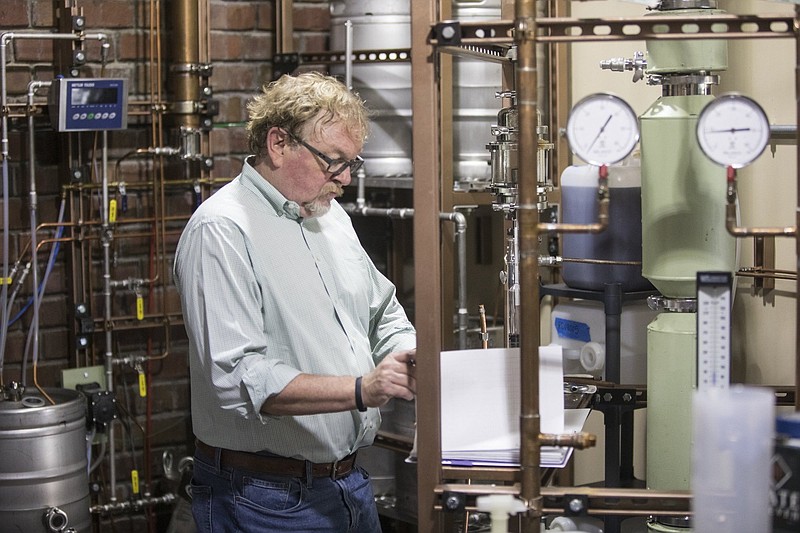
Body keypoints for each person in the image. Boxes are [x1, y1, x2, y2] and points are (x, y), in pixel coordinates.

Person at [173, 71, 417, 533]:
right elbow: (239, 380)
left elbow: (382, 310)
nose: (344, 179)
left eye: (353, 162)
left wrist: (406, 355)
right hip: (263, 499)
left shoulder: (332, 218)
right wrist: (363, 388)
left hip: (348, 485)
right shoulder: (222, 230)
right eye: (333, 161)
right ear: (279, 143)